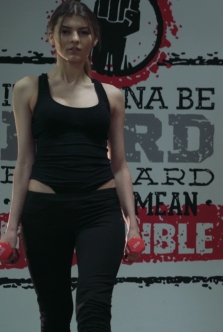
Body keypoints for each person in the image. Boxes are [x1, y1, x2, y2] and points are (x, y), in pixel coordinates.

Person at [0, 1, 141, 330]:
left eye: (83, 31)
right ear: (51, 37)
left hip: (99, 210)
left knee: (93, 309)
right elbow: (23, 163)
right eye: (65, 31)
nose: (74, 38)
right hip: (44, 209)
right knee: (55, 314)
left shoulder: (112, 95)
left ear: (95, 39)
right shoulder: (27, 89)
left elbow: (119, 165)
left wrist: (132, 223)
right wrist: (10, 228)